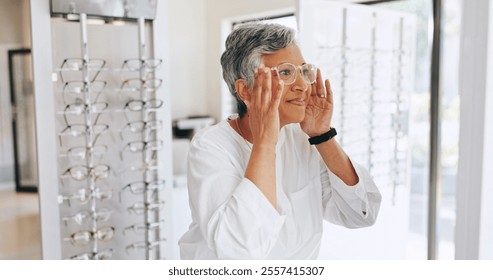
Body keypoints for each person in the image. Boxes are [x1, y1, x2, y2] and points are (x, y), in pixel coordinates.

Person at [179, 22, 382, 260]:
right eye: (286, 73)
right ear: (245, 91)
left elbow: (362, 213)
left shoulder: (302, 138)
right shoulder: (211, 146)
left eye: (304, 71)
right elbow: (238, 253)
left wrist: (322, 135)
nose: (303, 85)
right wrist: (265, 141)